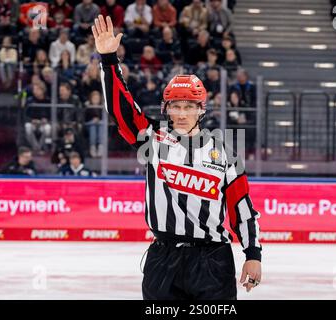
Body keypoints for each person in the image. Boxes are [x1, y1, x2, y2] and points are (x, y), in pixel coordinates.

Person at [93, 15, 262, 300]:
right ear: (166, 109)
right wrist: (109, 59)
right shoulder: (152, 139)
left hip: (212, 262)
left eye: (188, 106)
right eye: (175, 106)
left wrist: (252, 253)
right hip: (163, 259)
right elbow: (121, 110)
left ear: (201, 109)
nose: (181, 113)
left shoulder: (226, 153)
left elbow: (241, 208)